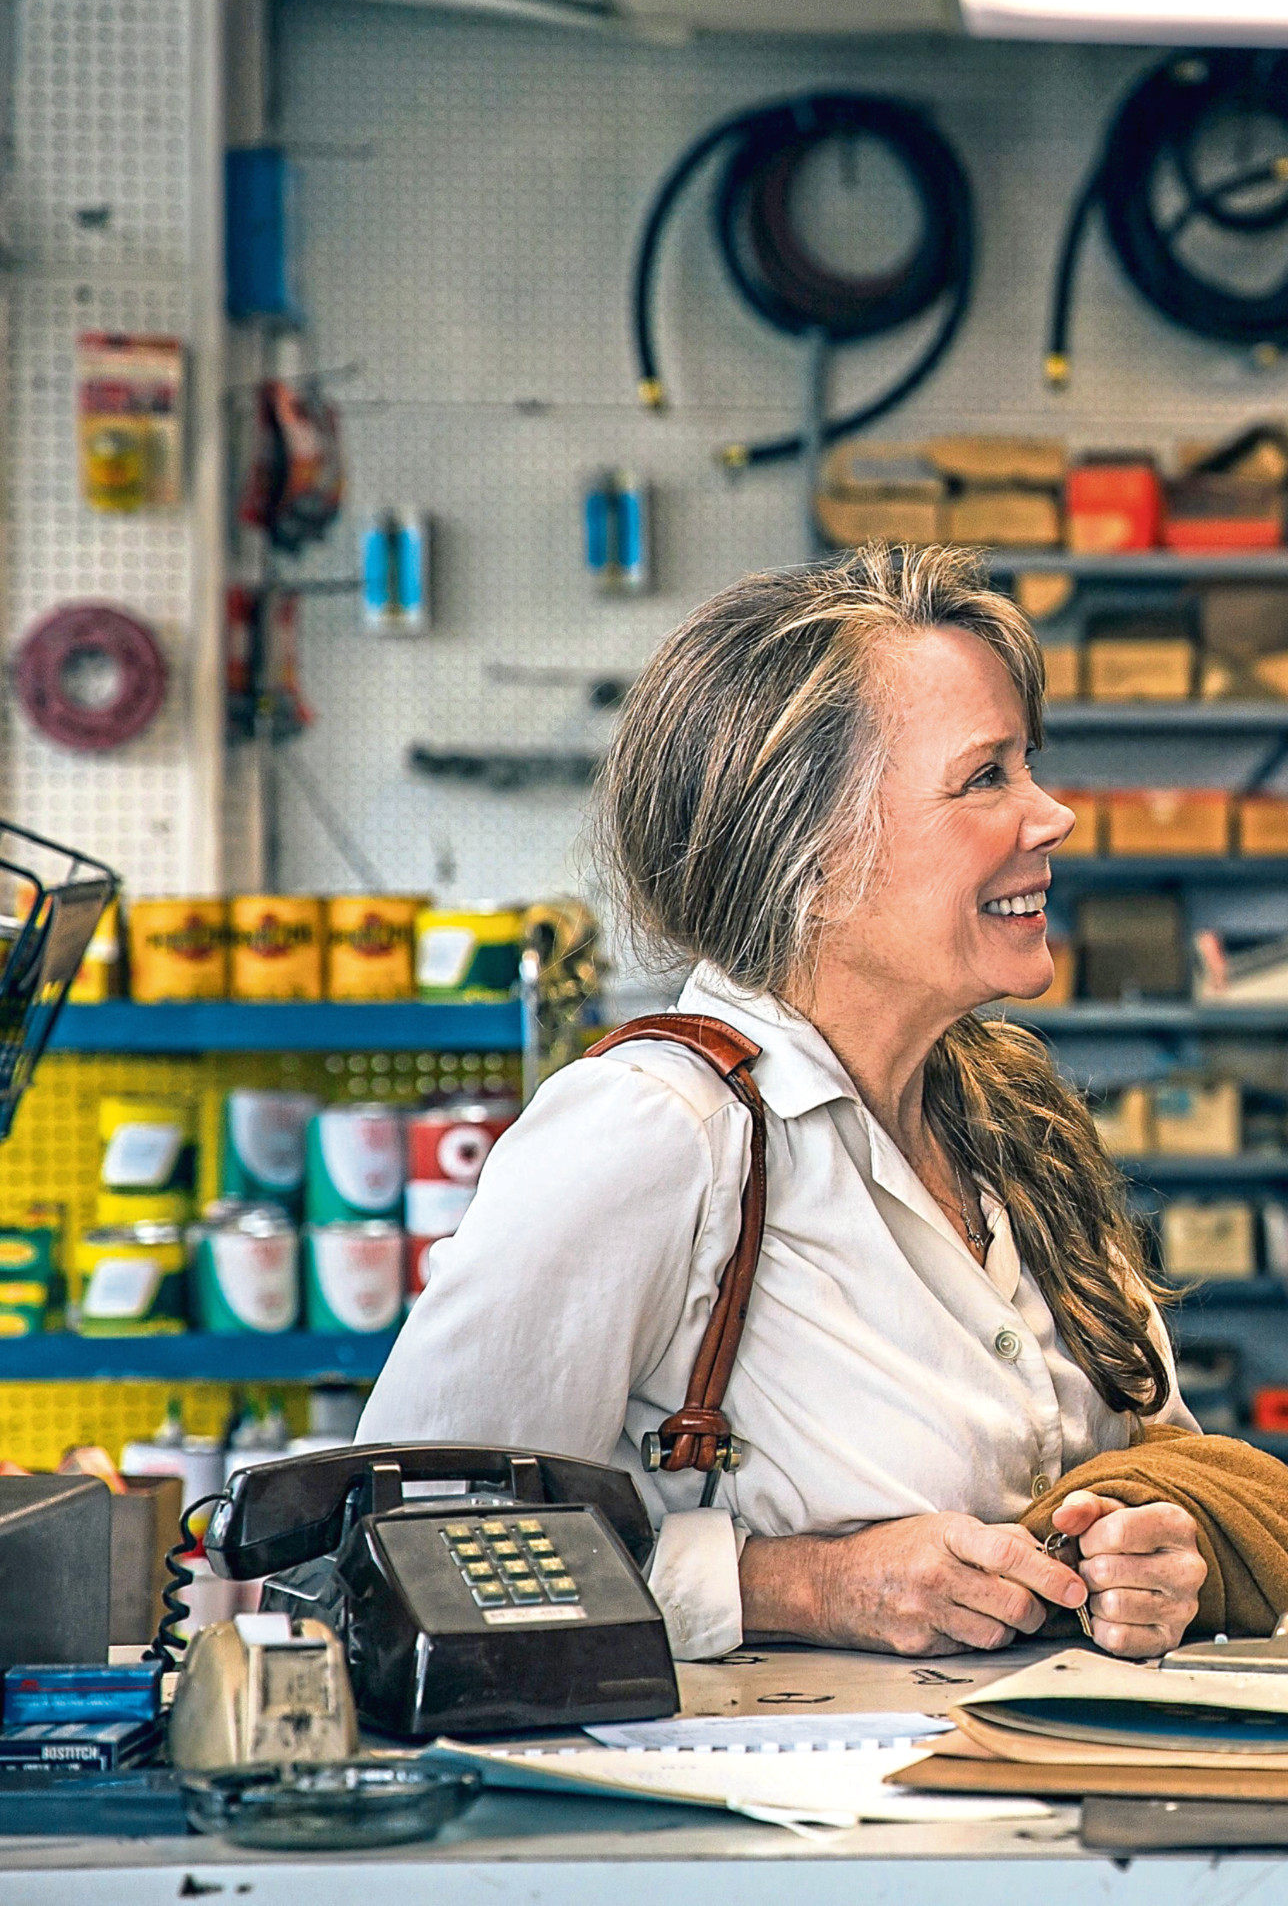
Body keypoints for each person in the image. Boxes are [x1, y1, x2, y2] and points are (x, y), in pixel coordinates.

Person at [363, 545, 1210, 1661]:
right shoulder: (659, 1131)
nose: (1049, 816)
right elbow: (407, 1538)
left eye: (1028, 765)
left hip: (1050, 1808)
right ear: (808, 856)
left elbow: (1161, 1464)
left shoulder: (1011, 1118)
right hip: (772, 1822)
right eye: (985, 777)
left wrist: (1156, 1555)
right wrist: (799, 1586)